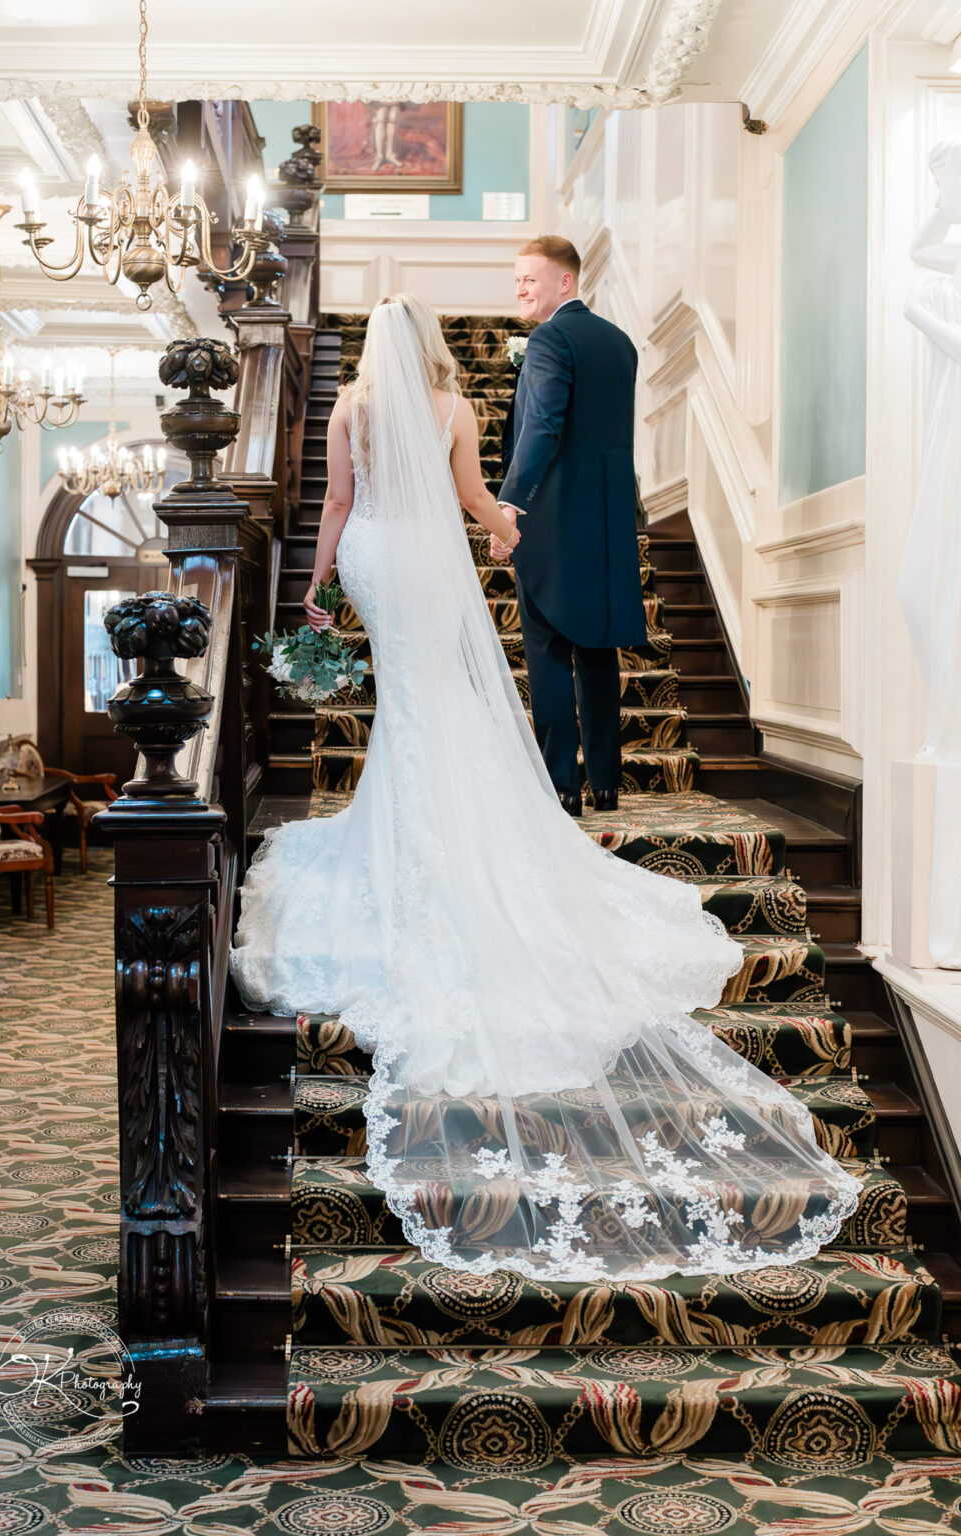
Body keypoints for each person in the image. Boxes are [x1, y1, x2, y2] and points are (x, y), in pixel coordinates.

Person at [230, 293, 861, 1282]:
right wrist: (501, 529)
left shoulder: (350, 406)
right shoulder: (453, 407)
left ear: (369, 349)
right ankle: (460, 837)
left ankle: (410, 841)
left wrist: (316, 584)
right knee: (436, 699)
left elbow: (340, 505)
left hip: (377, 561)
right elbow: (474, 497)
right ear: (436, 344)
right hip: (430, 563)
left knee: (406, 702)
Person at [496, 236, 644, 816]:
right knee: (598, 647)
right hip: (608, 521)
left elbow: (543, 429)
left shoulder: (550, 338)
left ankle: (562, 784)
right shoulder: (620, 343)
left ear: (565, 282)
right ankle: (606, 781)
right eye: (516, 280)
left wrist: (511, 504)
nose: (520, 289)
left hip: (554, 521)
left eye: (529, 279)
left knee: (550, 647)